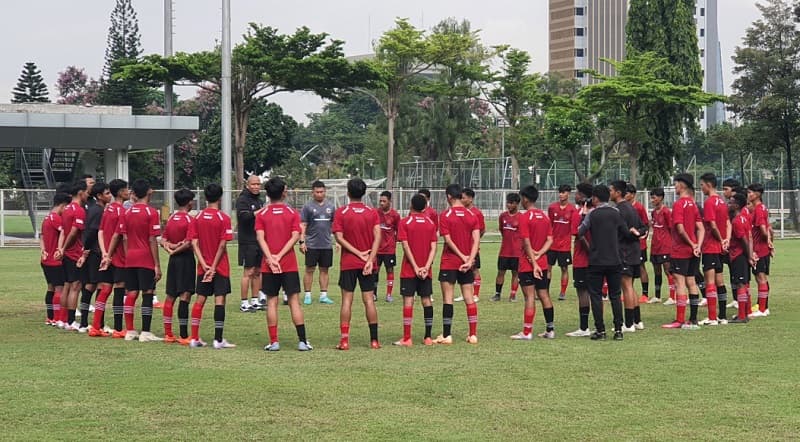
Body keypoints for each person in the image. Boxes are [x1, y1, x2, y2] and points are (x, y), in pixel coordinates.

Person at [256, 177, 312, 352]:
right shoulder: (292, 213)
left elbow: (260, 238)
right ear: (283, 193)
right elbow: (295, 236)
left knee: (272, 301)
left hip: (269, 264)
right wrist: (279, 256)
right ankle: (302, 341)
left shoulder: (262, 214)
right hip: (288, 264)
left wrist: (271, 258)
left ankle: (274, 342)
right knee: (294, 301)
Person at [578, 185, 635, 341]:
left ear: (595, 198)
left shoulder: (592, 214)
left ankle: (600, 330)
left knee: (596, 296)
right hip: (614, 259)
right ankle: (618, 330)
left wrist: (583, 216)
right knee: (615, 296)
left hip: (596, 260)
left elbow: (580, 231)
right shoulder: (616, 213)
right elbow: (625, 232)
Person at [332, 178, 382, 350]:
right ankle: (374, 340)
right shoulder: (372, 212)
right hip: (367, 264)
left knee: (347, 300)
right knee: (369, 300)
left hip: (348, 263)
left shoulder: (341, 212)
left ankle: (344, 341)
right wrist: (370, 259)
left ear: (348, 192)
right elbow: (378, 237)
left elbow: (339, 237)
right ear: (364, 192)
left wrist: (356, 253)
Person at [188, 183, 236, 349]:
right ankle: (218, 340)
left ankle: (194, 338)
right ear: (220, 198)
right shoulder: (224, 218)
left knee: (200, 299)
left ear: (205, 197)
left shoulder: (197, 217)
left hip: (203, 267)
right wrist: (213, 267)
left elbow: (194, 243)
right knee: (219, 300)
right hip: (220, 267)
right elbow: (222, 245)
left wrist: (204, 265)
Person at [119, 179, 163, 342]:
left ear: (134, 194)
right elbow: (152, 240)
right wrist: (157, 264)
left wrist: (128, 254)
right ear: (149, 193)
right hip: (145, 258)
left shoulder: (127, 212)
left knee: (131, 293)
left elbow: (124, 238)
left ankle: (130, 330)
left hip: (130, 257)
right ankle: (145, 332)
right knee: (147, 293)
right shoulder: (151, 213)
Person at [437, 184, 481, 344]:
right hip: (467, 264)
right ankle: (473, 334)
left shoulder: (445, 215)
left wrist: (463, 257)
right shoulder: (471, 215)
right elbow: (476, 239)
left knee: (447, 298)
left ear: (449, 196)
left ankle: (447, 335)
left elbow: (448, 240)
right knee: (469, 297)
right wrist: (469, 259)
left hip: (449, 261)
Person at [393, 194, 438, 347]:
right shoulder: (430, 223)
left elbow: (406, 246)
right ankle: (428, 337)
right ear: (425, 207)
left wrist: (416, 267)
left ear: (410, 205)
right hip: (426, 270)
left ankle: (407, 338)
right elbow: (434, 247)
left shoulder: (405, 222)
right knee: (426, 300)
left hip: (409, 270)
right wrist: (426, 266)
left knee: (408, 301)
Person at [511, 185, 555, 340]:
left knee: (529, 296)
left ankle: (527, 332)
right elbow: (550, 239)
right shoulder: (544, 216)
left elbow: (526, 242)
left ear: (525, 199)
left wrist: (533, 261)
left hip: (528, 264)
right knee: (544, 294)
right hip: (542, 262)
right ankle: (550, 330)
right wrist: (541, 253)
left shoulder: (524, 217)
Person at [662, 173, 705, 330]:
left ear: (682, 185)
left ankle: (680, 320)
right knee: (691, 282)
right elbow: (700, 228)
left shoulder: (679, 204)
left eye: (676, 184)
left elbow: (679, 229)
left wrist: (691, 243)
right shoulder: (693, 204)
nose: (675, 187)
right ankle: (693, 319)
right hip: (693, 251)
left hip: (680, 250)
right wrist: (697, 245)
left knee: (680, 283)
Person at [160, 189, 197, 345]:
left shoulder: (171, 218)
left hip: (173, 261)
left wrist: (169, 249)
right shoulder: (190, 220)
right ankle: (183, 335)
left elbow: (163, 239)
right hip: (185, 260)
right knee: (185, 295)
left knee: (170, 295)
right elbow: (189, 243)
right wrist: (175, 250)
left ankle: (168, 334)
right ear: (190, 202)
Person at [609, 181, 646, 333]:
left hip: (625, 252)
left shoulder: (619, 210)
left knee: (627, 286)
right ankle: (637, 321)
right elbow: (643, 227)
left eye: (611, 190)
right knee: (630, 286)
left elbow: (625, 232)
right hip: (634, 251)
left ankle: (629, 324)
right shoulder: (631, 207)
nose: (609, 193)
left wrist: (632, 233)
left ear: (618, 192)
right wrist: (637, 233)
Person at [54, 180, 88, 331]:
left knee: (67, 286)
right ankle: (71, 321)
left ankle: (62, 320)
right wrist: (65, 248)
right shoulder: (79, 210)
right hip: (74, 253)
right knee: (75, 286)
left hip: (66, 254)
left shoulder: (66, 209)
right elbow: (74, 232)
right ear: (81, 192)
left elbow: (63, 232)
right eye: (87, 192)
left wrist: (61, 249)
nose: (88, 195)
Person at [99, 179, 130, 338]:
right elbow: (119, 237)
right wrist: (110, 255)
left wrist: (104, 253)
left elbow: (101, 231)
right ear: (119, 192)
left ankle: (98, 325)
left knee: (105, 289)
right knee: (119, 289)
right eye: (126, 189)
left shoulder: (107, 209)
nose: (129, 191)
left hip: (106, 256)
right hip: (118, 257)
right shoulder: (121, 211)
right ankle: (118, 328)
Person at [698, 173, 731, 325]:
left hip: (711, 246)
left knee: (710, 282)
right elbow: (726, 223)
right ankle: (722, 316)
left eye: (702, 185)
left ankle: (712, 317)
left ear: (709, 185)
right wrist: (725, 241)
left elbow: (712, 224)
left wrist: (719, 239)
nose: (701, 188)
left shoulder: (710, 202)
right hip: (719, 248)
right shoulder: (722, 201)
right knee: (720, 281)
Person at [79, 182, 111, 334]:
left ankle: (86, 322)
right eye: (107, 193)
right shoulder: (98, 211)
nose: (109, 196)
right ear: (99, 196)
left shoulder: (93, 209)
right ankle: (95, 323)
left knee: (90, 286)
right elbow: (92, 232)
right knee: (97, 286)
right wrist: (87, 249)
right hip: (95, 253)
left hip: (92, 252)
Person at [299, 180, 336, 305]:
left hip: (326, 244)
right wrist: (302, 241)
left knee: (324, 270)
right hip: (312, 244)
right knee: (309, 269)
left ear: (325, 192)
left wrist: (338, 242)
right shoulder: (307, 207)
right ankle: (307, 295)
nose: (319, 194)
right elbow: (303, 225)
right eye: (317, 192)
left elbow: (335, 225)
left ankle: (323, 295)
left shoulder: (331, 207)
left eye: (321, 192)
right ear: (312, 193)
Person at [565, 183, 594, 337]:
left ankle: (584, 328)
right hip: (597, 260)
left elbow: (578, 234)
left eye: (576, 193)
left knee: (582, 292)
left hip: (582, 259)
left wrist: (590, 250)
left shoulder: (578, 214)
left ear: (582, 196)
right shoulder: (597, 212)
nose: (574, 196)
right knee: (594, 293)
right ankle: (598, 325)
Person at [236, 175, 265, 312]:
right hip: (247, 241)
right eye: (253, 184)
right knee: (248, 271)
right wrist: (260, 212)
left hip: (259, 240)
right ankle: (244, 302)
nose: (256, 187)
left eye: (258, 184)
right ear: (248, 185)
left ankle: (255, 300)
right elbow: (244, 217)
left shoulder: (259, 200)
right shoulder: (242, 200)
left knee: (258, 271)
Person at [41, 192, 70, 327]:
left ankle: (50, 316)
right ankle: (57, 318)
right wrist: (60, 249)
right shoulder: (55, 218)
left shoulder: (46, 217)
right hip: (55, 260)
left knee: (51, 287)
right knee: (60, 288)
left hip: (46, 259)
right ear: (63, 205)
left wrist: (43, 250)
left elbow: (41, 236)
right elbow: (64, 232)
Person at [727, 193, 755, 323]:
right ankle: (745, 314)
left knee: (740, 284)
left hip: (738, 255)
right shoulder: (744, 218)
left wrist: (749, 256)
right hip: (743, 255)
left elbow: (744, 239)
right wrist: (750, 254)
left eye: (731, 202)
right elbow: (749, 237)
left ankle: (742, 316)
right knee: (743, 284)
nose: (729, 204)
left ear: (737, 205)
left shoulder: (737, 220)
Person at [547, 184, 578, 301]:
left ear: (568, 194)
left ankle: (563, 292)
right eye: (560, 192)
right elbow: (549, 225)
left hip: (564, 246)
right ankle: (545, 290)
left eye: (563, 192)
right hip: (551, 245)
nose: (561, 194)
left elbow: (573, 228)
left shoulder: (572, 210)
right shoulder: (552, 208)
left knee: (564, 269)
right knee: (547, 268)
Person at [747, 183, 773, 317]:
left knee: (760, 277)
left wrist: (766, 240)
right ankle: (764, 306)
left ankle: (762, 309)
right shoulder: (761, 208)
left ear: (757, 194)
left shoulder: (758, 209)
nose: (748, 195)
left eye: (750, 192)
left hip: (759, 249)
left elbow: (764, 229)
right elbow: (770, 229)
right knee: (760, 278)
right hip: (762, 248)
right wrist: (770, 242)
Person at [493, 193, 522, 302]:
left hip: (517, 252)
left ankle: (513, 295)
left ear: (517, 204)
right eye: (507, 202)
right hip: (504, 252)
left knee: (515, 273)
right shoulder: (503, 216)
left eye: (511, 203)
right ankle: (497, 294)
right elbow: (502, 230)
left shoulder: (521, 218)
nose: (508, 205)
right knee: (500, 272)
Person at [648, 188, 675, 304]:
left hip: (665, 246)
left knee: (668, 271)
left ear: (661, 198)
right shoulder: (653, 212)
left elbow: (672, 229)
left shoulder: (667, 212)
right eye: (651, 197)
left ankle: (672, 297)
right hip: (655, 246)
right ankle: (657, 296)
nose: (652, 200)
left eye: (654, 197)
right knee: (656, 271)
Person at [625, 183, 651, 303]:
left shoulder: (639, 207)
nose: (625, 195)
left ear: (633, 195)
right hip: (627, 244)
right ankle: (629, 291)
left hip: (639, 244)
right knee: (628, 267)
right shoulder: (623, 207)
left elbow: (645, 224)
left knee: (641, 267)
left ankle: (645, 294)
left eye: (627, 193)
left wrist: (643, 237)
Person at [461, 188, 486, 302]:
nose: (461, 200)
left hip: (472, 249)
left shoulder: (477, 213)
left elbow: (482, 230)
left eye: (463, 198)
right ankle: (464, 293)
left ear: (470, 199)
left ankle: (475, 294)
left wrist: (474, 241)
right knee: (462, 270)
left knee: (474, 269)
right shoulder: (461, 212)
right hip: (462, 247)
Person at [375, 191, 400, 303]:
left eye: (384, 201)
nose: (381, 203)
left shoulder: (395, 215)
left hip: (389, 249)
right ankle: (374, 294)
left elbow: (399, 231)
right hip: (377, 249)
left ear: (390, 201)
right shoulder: (375, 213)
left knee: (389, 270)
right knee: (375, 270)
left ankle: (389, 294)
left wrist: (394, 242)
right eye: (380, 201)